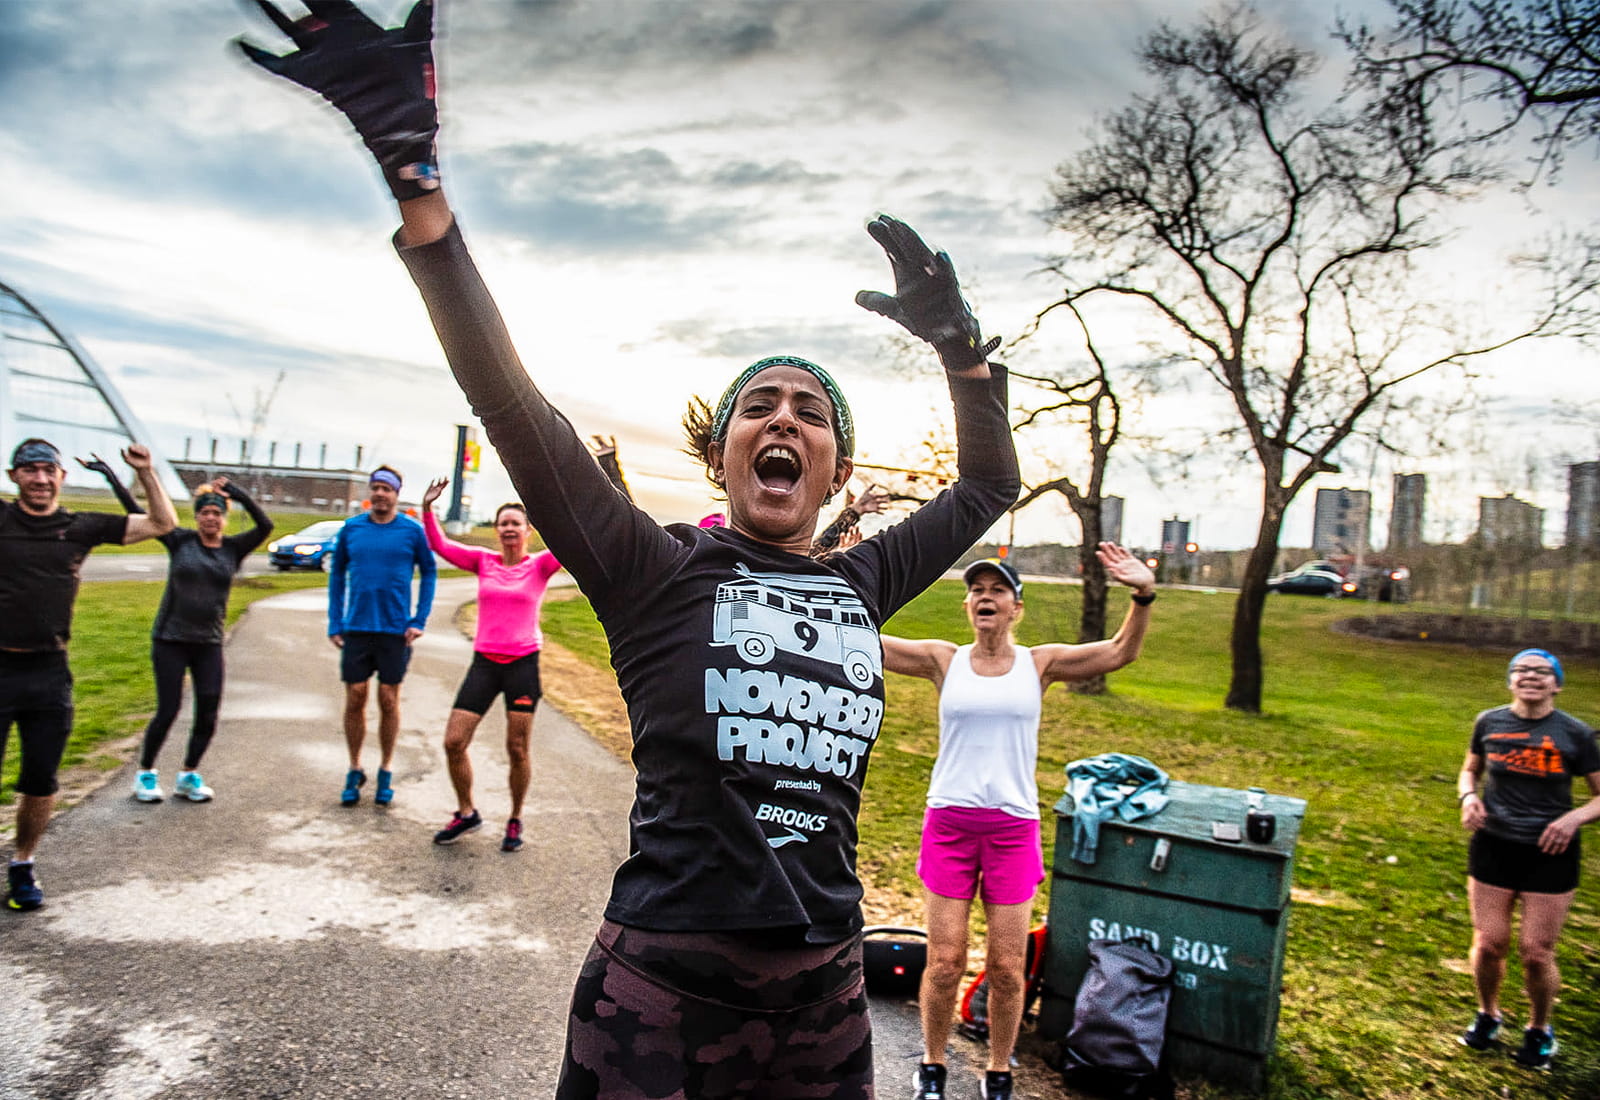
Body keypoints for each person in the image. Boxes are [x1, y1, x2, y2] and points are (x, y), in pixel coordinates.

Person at [238, 4, 1018, 1093]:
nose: (783, 418)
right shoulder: (653, 569)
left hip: (827, 1001)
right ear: (724, 450)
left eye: (810, 410)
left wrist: (963, 357)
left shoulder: (862, 577)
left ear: (836, 469)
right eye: (760, 404)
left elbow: (988, 481)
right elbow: (506, 399)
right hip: (660, 999)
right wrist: (417, 179)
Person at [881, 549, 1155, 1100]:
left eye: (997, 590)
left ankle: (999, 1070)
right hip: (950, 824)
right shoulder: (943, 659)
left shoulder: (1040, 663)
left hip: (1012, 828)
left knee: (1007, 967)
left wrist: (1142, 595)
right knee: (946, 958)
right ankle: (933, 1065)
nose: (986, 596)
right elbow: (862, 637)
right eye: (977, 589)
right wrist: (844, 566)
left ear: (1016, 608)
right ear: (967, 605)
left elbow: (1120, 652)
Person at [421, 439, 630, 852]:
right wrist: (428, 509)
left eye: (517, 523)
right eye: (504, 524)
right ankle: (467, 812)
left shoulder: (541, 565)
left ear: (528, 531)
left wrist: (606, 472)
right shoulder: (483, 562)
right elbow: (441, 546)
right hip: (484, 664)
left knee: (517, 748)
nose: (510, 529)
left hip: (522, 666)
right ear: (497, 530)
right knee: (453, 741)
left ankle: (514, 818)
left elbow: (581, 531)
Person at [2, 439, 176, 911]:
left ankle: (22, 864)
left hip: (48, 672)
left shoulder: (79, 527)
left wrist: (145, 472)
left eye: (48, 470)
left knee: (41, 780)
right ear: (14, 476)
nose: (39, 478)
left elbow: (162, 523)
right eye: (29, 470)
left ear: (62, 477)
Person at [1456, 647, 1600, 1071]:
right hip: (1494, 845)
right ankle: (1488, 1014)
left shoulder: (1575, 734)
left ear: (1556, 683)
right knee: (1489, 943)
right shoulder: (1489, 721)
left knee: (1536, 951)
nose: (1530, 677)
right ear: (1510, 680)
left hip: (1549, 852)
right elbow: (1470, 769)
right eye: (1521, 670)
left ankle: (1540, 1030)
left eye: (1541, 671)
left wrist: (1573, 819)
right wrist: (1467, 796)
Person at [131, 477, 274, 803]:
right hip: (170, 639)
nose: (210, 518)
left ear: (224, 518)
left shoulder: (233, 549)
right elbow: (139, 512)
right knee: (168, 709)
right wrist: (116, 475)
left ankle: (188, 774)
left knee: (208, 710)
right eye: (205, 513)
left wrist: (238, 494)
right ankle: (146, 774)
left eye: (216, 513)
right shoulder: (179, 540)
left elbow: (265, 525)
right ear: (196, 517)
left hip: (207, 642)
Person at [327, 465, 437, 808]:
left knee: (389, 700)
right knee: (356, 697)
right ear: (369, 492)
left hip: (394, 630)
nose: (379, 494)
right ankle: (354, 767)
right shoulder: (351, 529)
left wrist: (419, 618)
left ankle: (386, 768)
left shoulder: (411, 531)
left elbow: (429, 572)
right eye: (375, 487)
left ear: (396, 493)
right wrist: (335, 621)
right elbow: (337, 574)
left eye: (386, 489)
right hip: (357, 627)